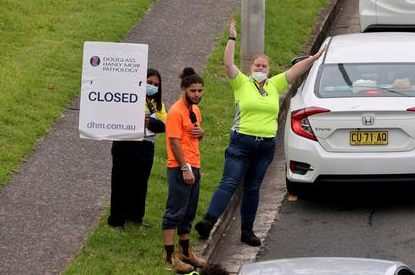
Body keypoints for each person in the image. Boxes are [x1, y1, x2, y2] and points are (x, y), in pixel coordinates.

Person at [195, 19, 325, 246]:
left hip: (265, 146)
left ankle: (247, 231)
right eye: (257, 66)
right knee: (229, 181)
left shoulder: (274, 85)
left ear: (269, 70)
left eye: (264, 67)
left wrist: (314, 59)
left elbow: (295, 70)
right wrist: (232, 37)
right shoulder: (242, 83)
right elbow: (227, 64)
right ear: (250, 69)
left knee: (253, 187)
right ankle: (208, 221)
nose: (260, 70)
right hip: (241, 142)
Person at [161, 67, 208, 273]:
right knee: (175, 211)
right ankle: (170, 255)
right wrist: (185, 168)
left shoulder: (195, 110)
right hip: (180, 168)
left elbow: (194, 136)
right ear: (184, 90)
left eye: (199, 91)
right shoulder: (175, 112)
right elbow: (174, 143)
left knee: (189, 211)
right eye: (193, 91)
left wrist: (202, 133)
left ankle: (186, 252)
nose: (197, 94)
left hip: (194, 165)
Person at [107, 68, 166, 228]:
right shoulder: (128, 97)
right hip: (125, 144)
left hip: (145, 147)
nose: (152, 86)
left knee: (140, 184)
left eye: (156, 84)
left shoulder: (158, 104)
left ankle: (135, 217)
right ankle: (116, 219)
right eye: (149, 82)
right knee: (120, 183)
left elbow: (164, 125)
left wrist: (150, 123)